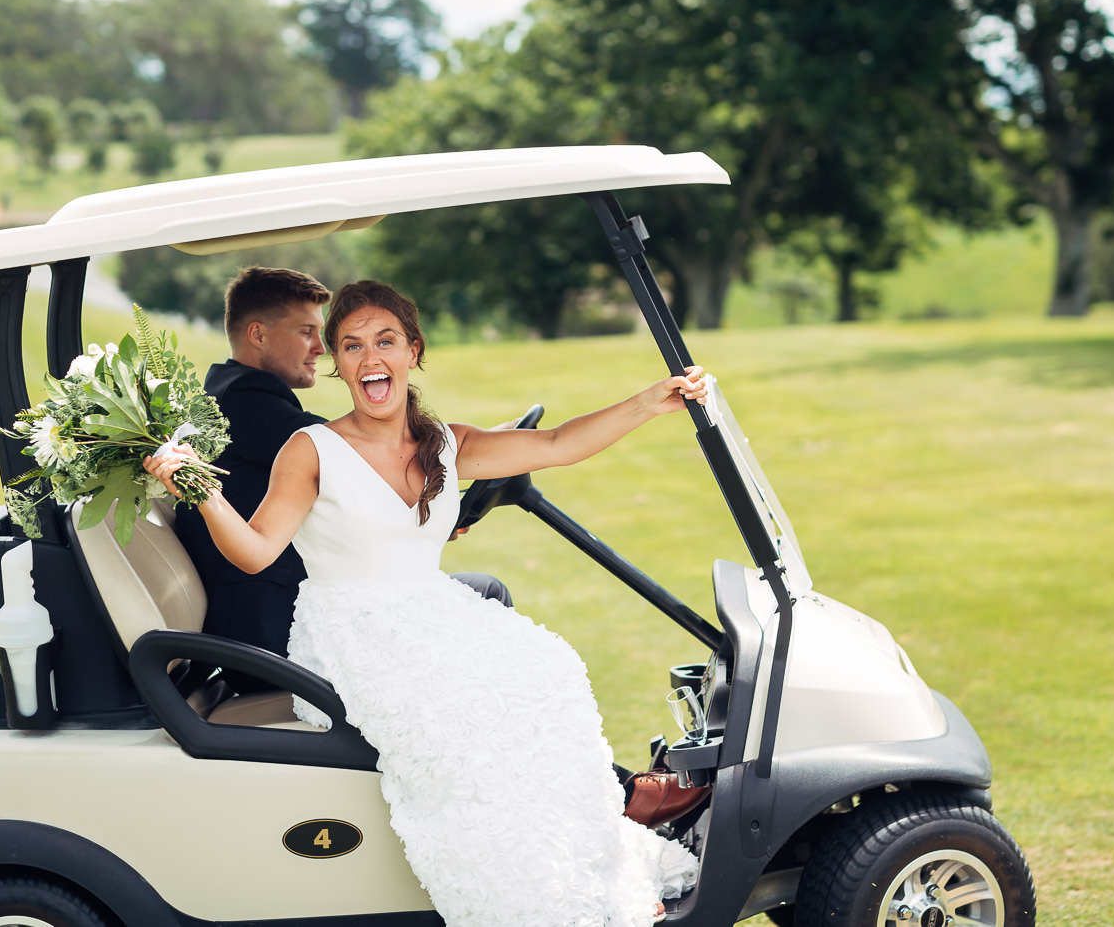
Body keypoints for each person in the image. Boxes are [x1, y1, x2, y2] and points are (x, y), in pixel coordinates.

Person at [146, 280, 707, 927]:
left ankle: (579, 858)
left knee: (544, 672)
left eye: (385, 340)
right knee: (472, 703)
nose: (369, 357)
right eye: (351, 345)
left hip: (427, 613)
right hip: (350, 634)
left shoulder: (444, 443)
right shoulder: (310, 450)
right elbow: (254, 549)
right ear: (339, 364)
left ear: (412, 351)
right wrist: (200, 488)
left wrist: (648, 401)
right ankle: (530, 892)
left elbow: (556, 445)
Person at [175, 266, 509, 661]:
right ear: (258, 335)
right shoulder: (245, 400)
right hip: (273, 628)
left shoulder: (229, 391)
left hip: (266, 610)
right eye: (307, 332)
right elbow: (356, 451)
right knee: (486, 593)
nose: (321, 347)